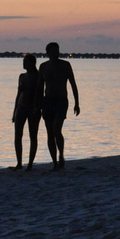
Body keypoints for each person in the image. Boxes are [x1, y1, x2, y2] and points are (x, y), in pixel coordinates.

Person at [37, 42, 80, 170]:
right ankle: (54, 162)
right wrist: (37, 104)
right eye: (53, 51)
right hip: (48, 101)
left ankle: (61, 154)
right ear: (48, 53)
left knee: (57, 129)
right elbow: (39, 87)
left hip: (61, 100)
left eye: (58, 51)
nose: (56, 53)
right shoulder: (43, 67)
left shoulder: (65, 65)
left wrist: (77, 103)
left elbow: (73, 84)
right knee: (50, 133)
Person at [10, 53, 42, 169]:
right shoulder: (22, 76)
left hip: (33, 109)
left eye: (25, 61)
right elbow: (18, 95)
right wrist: (14, 112)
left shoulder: (38, 76)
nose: (23, 63)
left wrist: (37, 108)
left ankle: (30, 164)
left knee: (33, 136)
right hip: (21, 107)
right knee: (18, 136)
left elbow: (39, 94)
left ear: (31, 63)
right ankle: (19, 163)